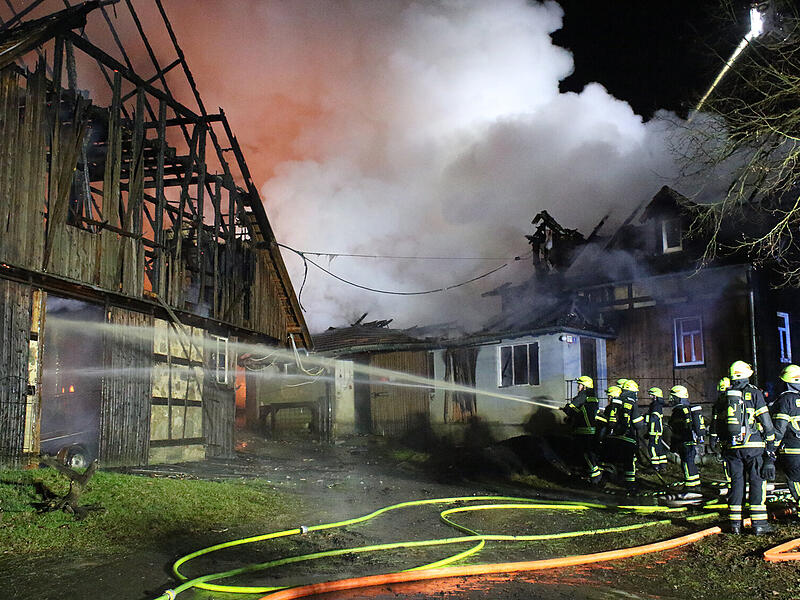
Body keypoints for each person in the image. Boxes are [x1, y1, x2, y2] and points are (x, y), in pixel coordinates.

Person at [715, 360, 776, 535]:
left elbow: (717, 425)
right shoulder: (754, 393)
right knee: (757, 482)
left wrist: (722, 445)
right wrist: (770, 448)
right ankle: (759, 524)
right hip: (754, 446)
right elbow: (767, 423)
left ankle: (735, 524)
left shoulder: (723, 397)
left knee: (736, 483)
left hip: (732, 449)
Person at [598, 379, 644, 493]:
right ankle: (631, 486)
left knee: (610, 461)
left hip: (613, 438)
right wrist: (642, 419)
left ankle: (602, 482)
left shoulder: (616, 401)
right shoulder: (632, 402)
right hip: (627, 437)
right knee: (629, 462)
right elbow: (638, 424)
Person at [561, 375, 602, 483]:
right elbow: (583, 412)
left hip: (583, 430)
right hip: (592, 429)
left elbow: (571, 409)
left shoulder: (582, 396)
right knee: (590, 452)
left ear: (585, 386)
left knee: (584, 452)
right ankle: (591, 473)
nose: (578, 386)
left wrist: (566, 408)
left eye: (580, 384)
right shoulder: (593, 397)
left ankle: (595, 475)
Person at [770, 364, 800, 509]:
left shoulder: (784, 400)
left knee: (794, 480)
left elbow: (779, 428)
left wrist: (771, 447)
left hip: (792, 449)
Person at [667, 385, 704, 492]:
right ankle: (696, 485)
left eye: (673, 397)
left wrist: (673, 445)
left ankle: (691, 486)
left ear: (678, 398)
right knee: (689, 462)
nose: (671, 399)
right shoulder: (685, 410)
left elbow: (678, 429)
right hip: (688, 441)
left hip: (684, 441)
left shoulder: (679, 411)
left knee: (687, 463)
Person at [645, 387, 668, 472]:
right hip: (656, 431)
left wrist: (646, 420)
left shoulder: (656, 405)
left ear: (655, 396)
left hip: (654, 431)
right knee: (659, 448)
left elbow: (654, 418)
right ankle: (663, 466)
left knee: (652, 448)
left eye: (651, 394)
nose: (650, 396)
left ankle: (655, 466)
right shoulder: (656, 405)